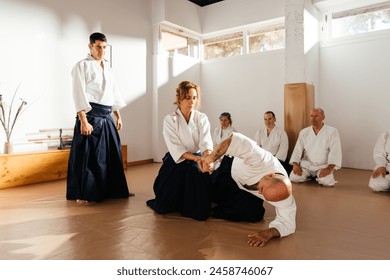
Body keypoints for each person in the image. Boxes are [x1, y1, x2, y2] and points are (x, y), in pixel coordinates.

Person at [66, 32, 131, 203]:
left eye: (104, 48)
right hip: (91, 116)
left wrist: (118, 115)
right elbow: (78, 93)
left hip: (107, 115)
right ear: (90, 46)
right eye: (98, 47)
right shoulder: (81, 66)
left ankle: (113, 190)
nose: (101, 51)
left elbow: (114, 92)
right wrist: (83, 120)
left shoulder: (107, 67)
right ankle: (84, 193)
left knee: (112, 154)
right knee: (90, 156)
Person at [202, 132, 296, 247]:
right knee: (203, 197)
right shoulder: (261, 159)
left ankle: (214, 209)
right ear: (270, 175)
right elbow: (234, 140)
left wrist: (269, 233)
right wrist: (209, 159)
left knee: (254, 214)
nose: (260, 193)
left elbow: (288, 223)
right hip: (231, 170)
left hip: (244, 188)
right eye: (261, 189)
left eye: (263, 195)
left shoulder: (283, 195)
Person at [146, 81, 213, 221]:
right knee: (163, 206)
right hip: (177, 160)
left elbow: (205, 142)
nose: (192, 101)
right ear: (179, 99)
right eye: (188, 97)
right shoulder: (170, 120)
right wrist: (197, 159)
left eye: (194, 98)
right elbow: (176, 148)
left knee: (201, 211)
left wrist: (206, 158)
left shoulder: (202, 118)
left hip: (198, 159)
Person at [289, 108, 342, 187]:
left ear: (323, 117)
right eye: (311, 116)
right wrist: (295, 164)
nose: (313, 119)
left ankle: (318, 176)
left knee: (326, 181)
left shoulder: (332, 131)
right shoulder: (304, 132)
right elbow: (297, 150)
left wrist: (329, 169)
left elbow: (335, 151)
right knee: (293, 177)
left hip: (323, 166)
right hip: (307, 165)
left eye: (316, 116)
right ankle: (310, 176)